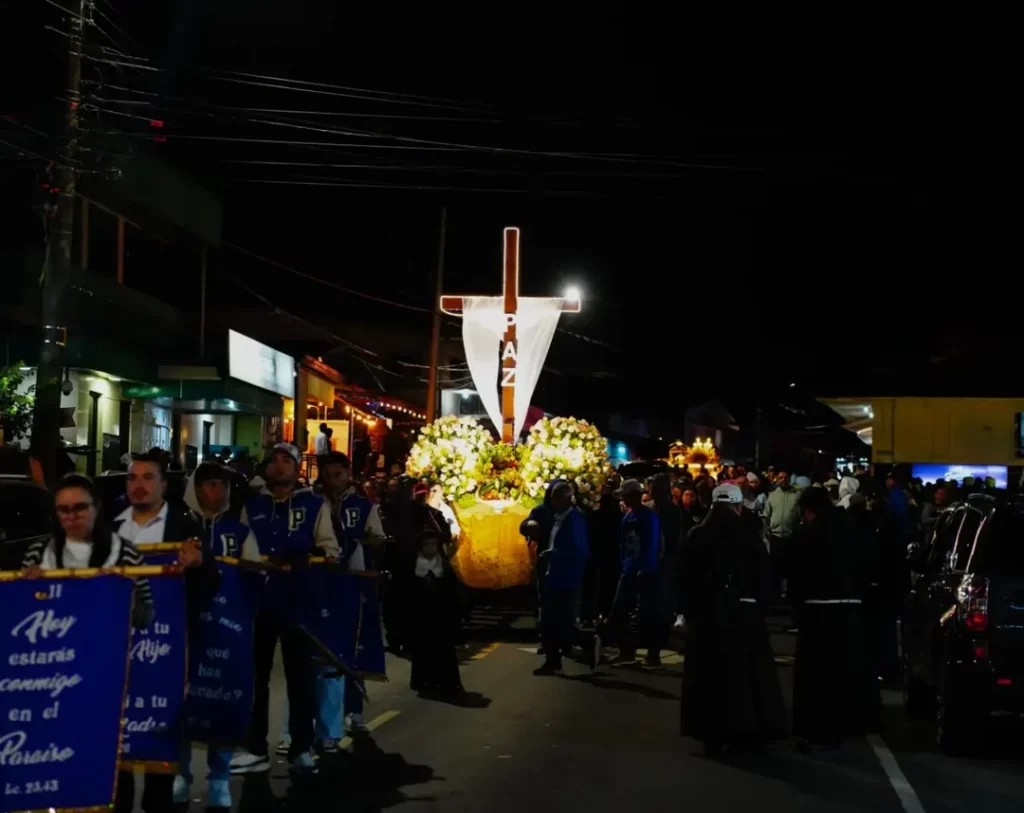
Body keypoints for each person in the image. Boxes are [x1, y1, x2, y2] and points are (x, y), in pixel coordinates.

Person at [113, 453, 218, 812]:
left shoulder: (184, 526)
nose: (138, 485)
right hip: (117, 652)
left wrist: (198, 564)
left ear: (163, 484)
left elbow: (210, 585)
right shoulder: (110, 526)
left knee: (161, 737)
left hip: (164, 652)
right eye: (132, 478)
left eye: (147, 477)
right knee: (116, 740)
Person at [230, 443, 340, 775]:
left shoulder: (314, 505)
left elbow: (331, 549)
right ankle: (255, 747)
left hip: (298, 603)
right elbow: (240, 551)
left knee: (300, 678)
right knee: (255, 677)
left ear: (297, 468)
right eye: (273, 461)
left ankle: (301, 747)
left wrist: (308, 559)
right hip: (259, 602)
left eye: (286, 460)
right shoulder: (252, 505)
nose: (279, 466)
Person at [679, 483, 787, 757]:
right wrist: (763, 607)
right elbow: (764, 578)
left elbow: (684, 580)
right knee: (745, 676)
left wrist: (689, 612)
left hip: (706, 616)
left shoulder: (697, 535)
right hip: (743, 615)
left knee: (708, 676)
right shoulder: (748, 536)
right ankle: (745, 730)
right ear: (738, 506)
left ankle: (710, 732)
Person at [177, 461, 261, 809]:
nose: (217, 491)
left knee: (223, 700)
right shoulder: (179, 527)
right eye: (209, 484)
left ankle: (220, 779)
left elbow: (255, 575)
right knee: (182, 700)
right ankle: (180, 775)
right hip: (186, 627)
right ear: (195, 488)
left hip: (227, 630)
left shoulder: (239, 531)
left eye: (222, 485)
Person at [788, 485, 875, 748]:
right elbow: (868, 566)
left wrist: (796, 610)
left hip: (816, 611)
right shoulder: (852, 530)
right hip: (850, 609)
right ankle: (849, 723)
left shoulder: (807, 535)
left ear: (808, 511)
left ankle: (814, 727)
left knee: (815, 675)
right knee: (846, 670)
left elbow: (796, 575)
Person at [530, 480, 590, 675]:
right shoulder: (559, 517)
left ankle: (587, 645)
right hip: (554, 575)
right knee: (550, 621)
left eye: (556, 497)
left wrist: (553, 554)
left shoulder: (574, 518)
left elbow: (579, 549)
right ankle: (552, 660)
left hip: (567, 578)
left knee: (562, 621)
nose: (552, 501)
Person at [607, 479, 661, 666]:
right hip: (629, 570)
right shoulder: (628, 518)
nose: (623, 499)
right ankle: (626, 651)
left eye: (625, 495)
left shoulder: (648, 517)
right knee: (621, 611)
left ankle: (651, 654)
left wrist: (645, 568)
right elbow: (623, 545)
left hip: (644, 572)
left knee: (645, 614)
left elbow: (651, 545)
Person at [409, 528, 464, 694]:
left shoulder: (445, 567)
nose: (430, 548)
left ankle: (446, 684)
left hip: (442, 618)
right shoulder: (413, 568)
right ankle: (425, 682)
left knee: (444, 652)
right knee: (423, 651)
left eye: (433, 544)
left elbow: (454, 594)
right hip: (422, 619)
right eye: (427, 545)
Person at [648, 473, 682, 668]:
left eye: (655, 487)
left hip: (665, 563)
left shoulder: (671, 511)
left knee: (661, 606)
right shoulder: (651, 508)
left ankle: (656, 649)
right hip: (652, 561)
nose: (651, 491)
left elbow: (673, 539)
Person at [763, 470, 801, 594]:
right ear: (777, 480)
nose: (783, 479)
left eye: (785, 477)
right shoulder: (773, 495)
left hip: (791, 537)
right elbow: (766, 515)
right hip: (775, 537)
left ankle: (790, 594)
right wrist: (767, 531)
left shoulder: (797, 495)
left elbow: (801, 515)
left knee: (790, 568)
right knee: (775, 568)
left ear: (789, 479)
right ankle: (775, 594)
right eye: (780, 477)